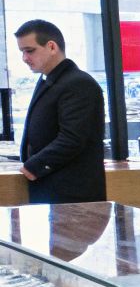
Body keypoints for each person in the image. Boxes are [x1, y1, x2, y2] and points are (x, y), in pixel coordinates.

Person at [14, 19, 106, 204]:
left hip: (73, 195)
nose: (24, 58)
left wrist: (34, 167)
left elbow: (72, 138)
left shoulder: (79, 83)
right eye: (22, 52)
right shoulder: (49, 80)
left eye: (29, 51)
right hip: (51, 191)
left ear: (52, 47)